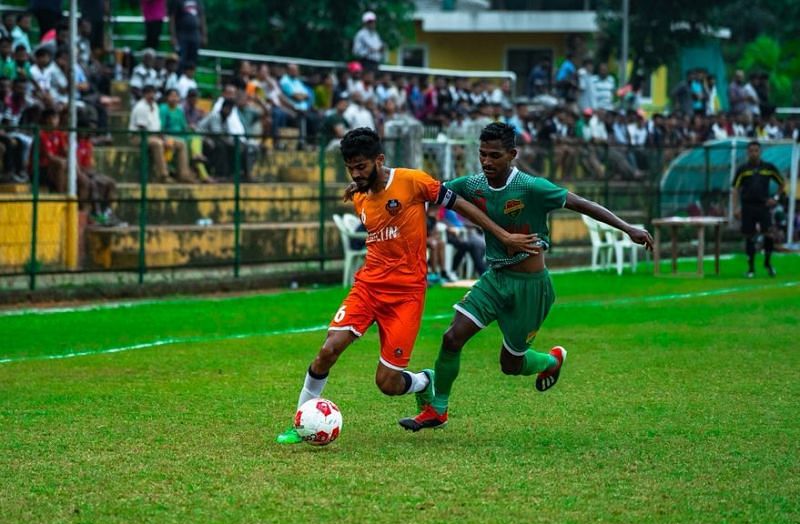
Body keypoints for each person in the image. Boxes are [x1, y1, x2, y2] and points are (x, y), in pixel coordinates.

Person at [276, 127, 539, 444]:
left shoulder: (412, 181)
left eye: (362, 167)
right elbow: (367, 196)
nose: (356, 174)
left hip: (406, 296)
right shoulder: (359, 194)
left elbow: (460, 204)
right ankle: (301, 419)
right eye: (351, 168)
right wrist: (357, 184)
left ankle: (423, 381)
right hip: (368, 287)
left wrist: (503, 235)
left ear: (379, 160)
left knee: (387, 383)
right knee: (328, 350)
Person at [399, 122, 653, 431]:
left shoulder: (532, 187)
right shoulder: (474, 184)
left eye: (495, 155)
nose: (487, 162)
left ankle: (550, 361)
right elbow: (430, 191)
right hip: (495, 279)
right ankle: (437, 409)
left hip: (531, 287)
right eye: (482, 155)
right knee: (452, 337)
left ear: (512, 155)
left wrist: (629, 228)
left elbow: (582, 204)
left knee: (511, 365)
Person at [732, 140, 786, 278]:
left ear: (760, 152)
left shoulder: (768, 167)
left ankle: (767, 263)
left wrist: (775, 198)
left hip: (763, 206)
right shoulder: (743, 170)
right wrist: (736, 207)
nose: (754, 153)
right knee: (749, 236)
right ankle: (751, 269)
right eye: (751, 151)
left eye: (756, 150)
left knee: (768, 234)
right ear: (747, 153)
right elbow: (735, 189)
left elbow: (782, 183)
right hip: (748, 206)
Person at [168, 0, 206, 73]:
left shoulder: (197, 1)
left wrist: (204, 35)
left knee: (193, 60)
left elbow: (202, 17)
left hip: (195, 34)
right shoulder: (177, 1)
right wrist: (173, 36)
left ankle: (189, 80)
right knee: (180, 59)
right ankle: (178, 79)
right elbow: (172, 18)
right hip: (182, 34)